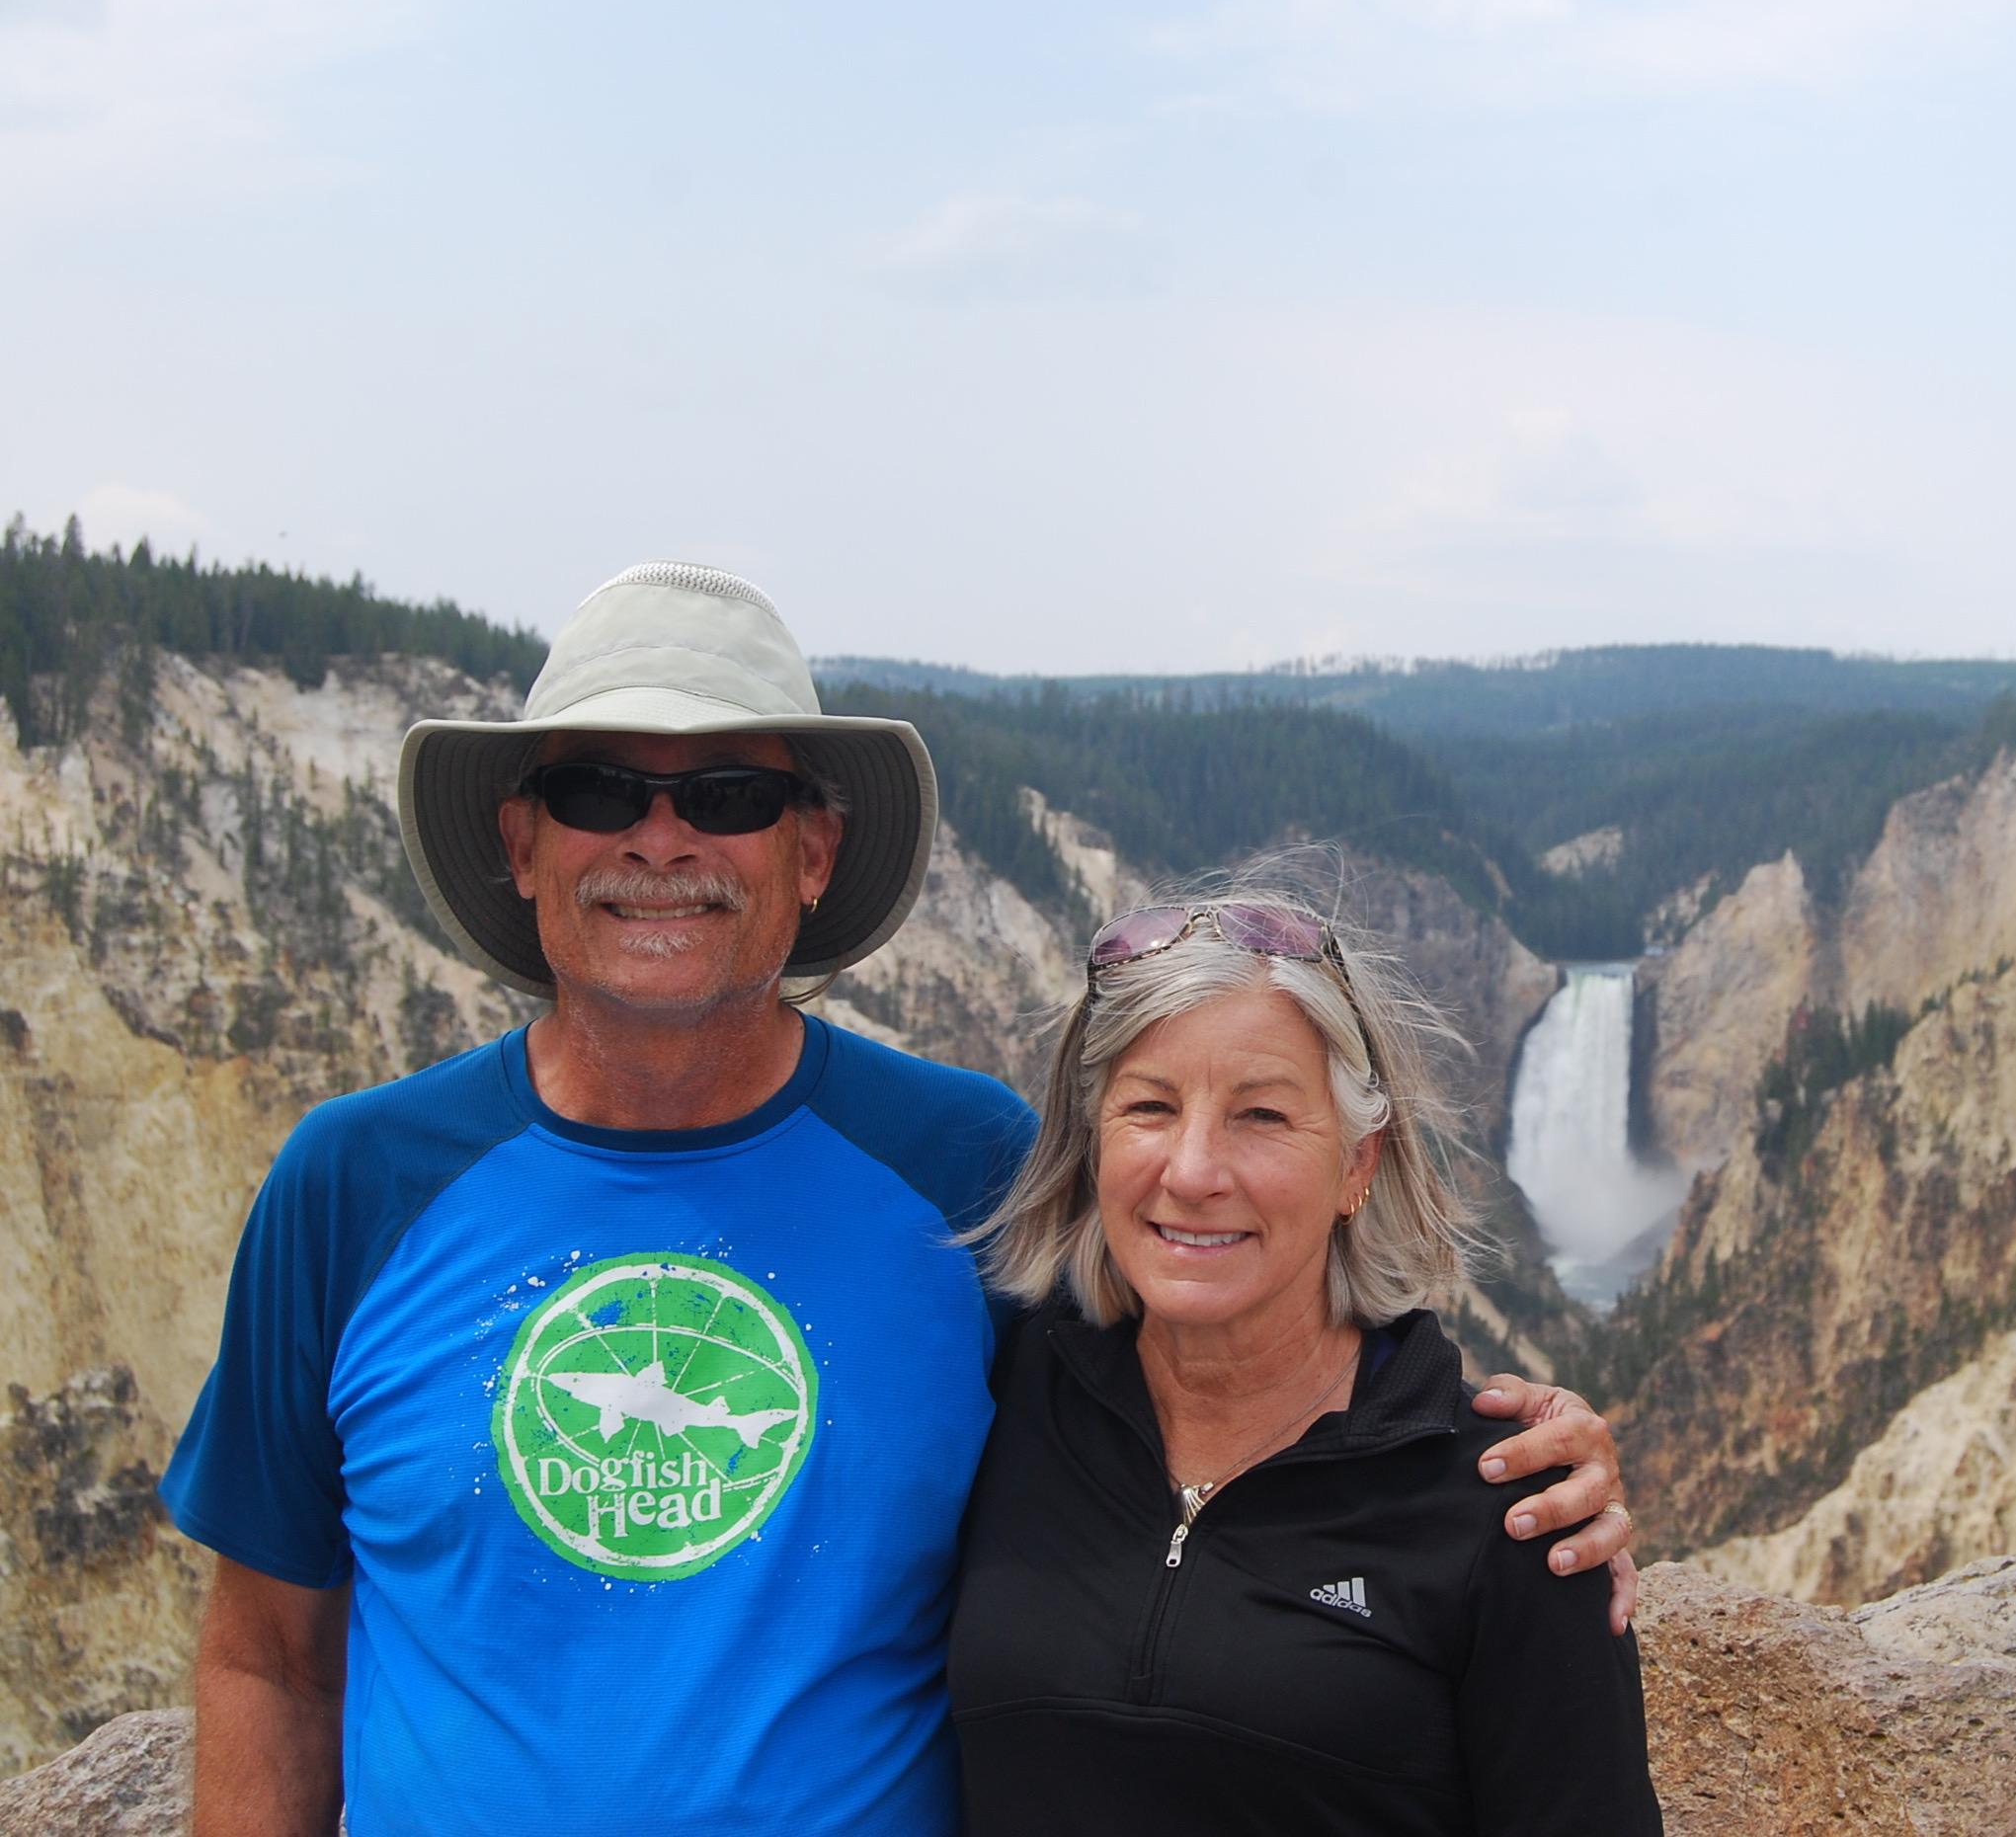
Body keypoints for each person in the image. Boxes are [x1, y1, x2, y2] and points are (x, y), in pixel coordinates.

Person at [155, 563, 1635, 1837]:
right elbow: (269, 1660)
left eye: (728, 795)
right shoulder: (354, 1186)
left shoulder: (966, 1171)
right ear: (521, 840)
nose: (661, 840)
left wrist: (1490, 1467)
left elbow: (1214, 1364)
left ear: (813, 852)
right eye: (599, 789)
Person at [946, 889, 1663, 1834]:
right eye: (1150, 1107)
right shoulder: (992, 1392)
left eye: (1262, 1116)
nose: (1193, 1172)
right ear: (1092, 1143)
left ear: (1358, 1164)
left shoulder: (1505, 1509)